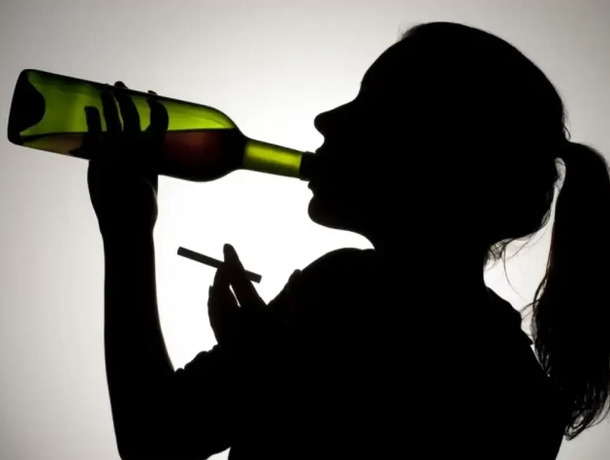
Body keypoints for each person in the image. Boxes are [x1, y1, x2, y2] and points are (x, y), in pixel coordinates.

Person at [86, 21, 610, 460]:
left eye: (368, 105)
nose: (325, 119)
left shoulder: (342, 296)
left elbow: (153, 438)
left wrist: (128, 233)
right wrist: (265, 370)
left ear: (432, 153)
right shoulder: (521, 389)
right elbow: (158, 437)